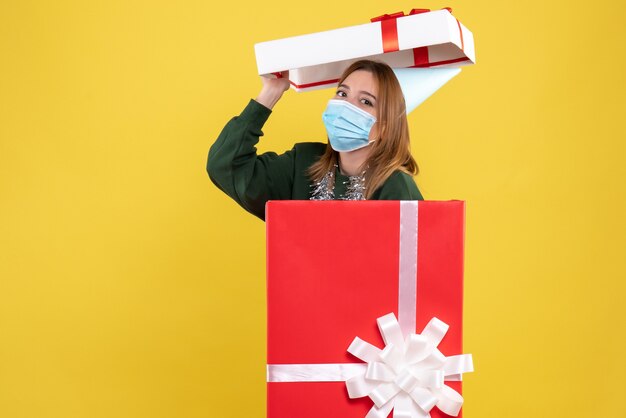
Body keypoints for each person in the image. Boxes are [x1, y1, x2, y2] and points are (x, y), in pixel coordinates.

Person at [207, 59, 423, 221]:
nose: (347, 106)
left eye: (366, 101)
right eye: (342, 94)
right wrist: (270, 93)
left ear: (385, 127)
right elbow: (225, 166)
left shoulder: (395, 187)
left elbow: (411, 267)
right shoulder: (303, 163)